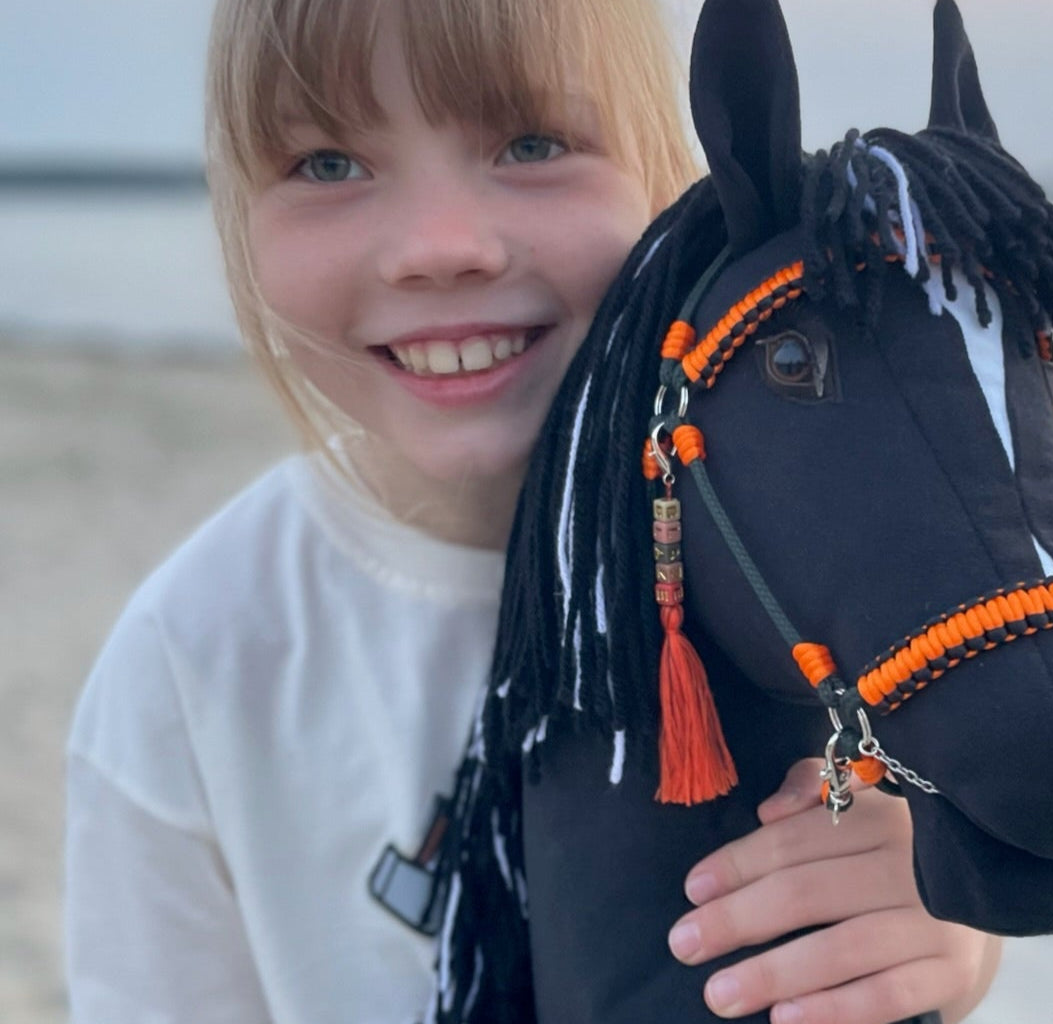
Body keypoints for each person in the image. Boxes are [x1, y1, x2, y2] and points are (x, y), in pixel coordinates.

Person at [63, 1, 1001, 1022]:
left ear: (669, 179)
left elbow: (966, 813)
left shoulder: (809, 542)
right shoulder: (191, 657)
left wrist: (953, 921)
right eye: (328, 163)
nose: (440, 248)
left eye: (533, 143)